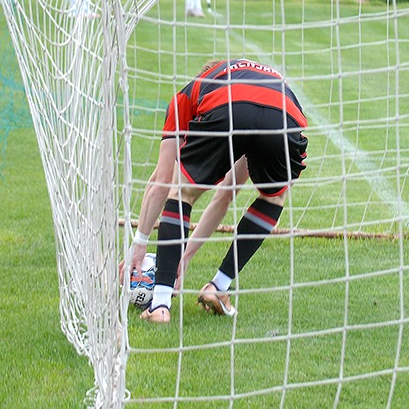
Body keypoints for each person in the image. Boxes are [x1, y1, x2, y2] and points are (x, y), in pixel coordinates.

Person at [125, 58, 309, 323]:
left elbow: (161, 182)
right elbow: (226, 194)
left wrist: (139, 246)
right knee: (274, 197)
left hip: (231, 106)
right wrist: (184, 258)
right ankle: (218, 287)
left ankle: (160, 305)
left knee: (182, 192)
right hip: (283, 113)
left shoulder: (190, 93)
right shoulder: (253, 81)